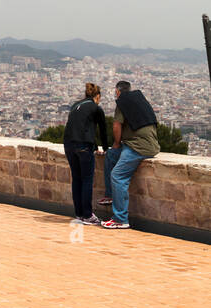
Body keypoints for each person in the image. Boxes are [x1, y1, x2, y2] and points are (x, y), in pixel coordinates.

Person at [99, 79, 159, 230]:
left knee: (118, 176)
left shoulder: (122, 102)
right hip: (149, 143)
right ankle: (110, 195)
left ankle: (120, 219)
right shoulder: (140, 100)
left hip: (137, 146)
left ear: (118, 92)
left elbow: (116, 125)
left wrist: (117, 143)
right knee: (111, 155)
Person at [62, 82, 108, 225]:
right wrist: (105, 148)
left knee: (77, 179)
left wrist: (93, 144)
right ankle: (88, 215)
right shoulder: (96, 108)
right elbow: (102, 130)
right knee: (87, 179)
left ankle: (79, 214)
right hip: (83, 146)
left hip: (68, 145)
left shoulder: (75, 105)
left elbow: (81, 126)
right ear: (97, 96)